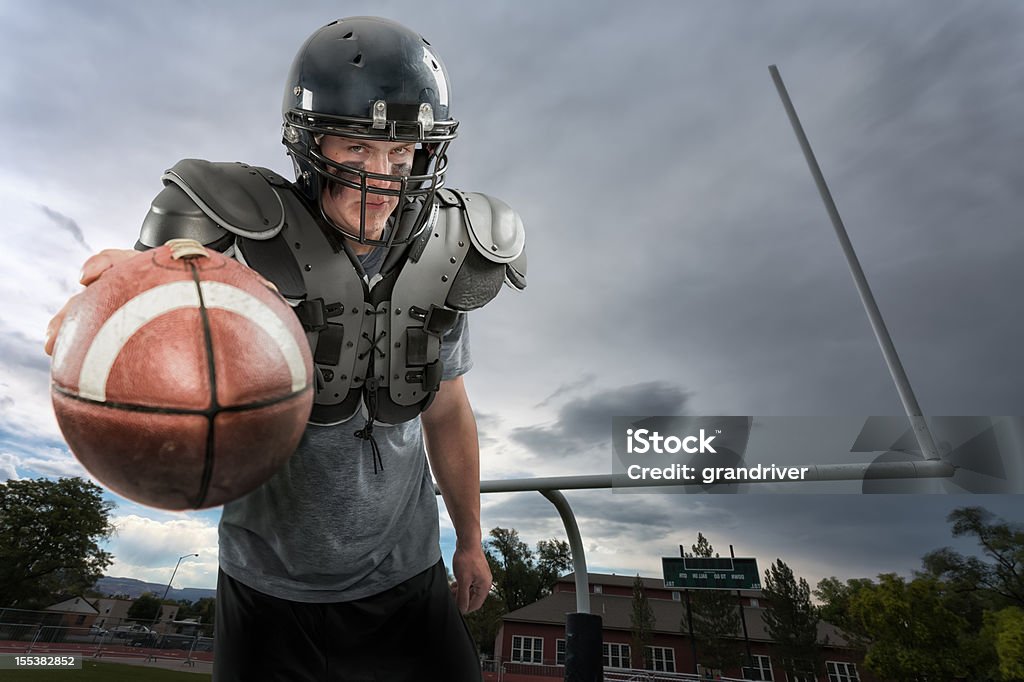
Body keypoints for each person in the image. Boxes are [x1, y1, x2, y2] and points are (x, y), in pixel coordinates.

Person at [44, 16, 526, 681]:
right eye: (357, 147)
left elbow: (447, 409)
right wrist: (125, 306)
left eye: (401, 151)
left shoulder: (439, 258)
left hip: (409, 575)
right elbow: (163, 281)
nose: (381, 176)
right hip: (266, 586)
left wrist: (470, 543)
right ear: (311, 141)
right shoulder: (239, 246)